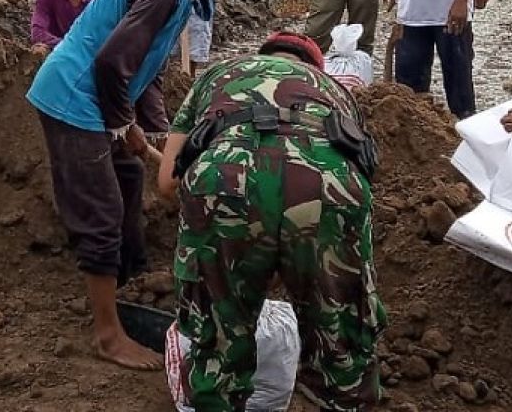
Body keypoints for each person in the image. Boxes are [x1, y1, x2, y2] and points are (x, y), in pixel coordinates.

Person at [27, 0, 260, 371]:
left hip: (94, 100)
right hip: (73, 99)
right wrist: (120, 124)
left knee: (131, 173)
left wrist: (134, 125)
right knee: (102, 213)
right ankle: (109, 335)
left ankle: (130, 285)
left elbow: (141, 66)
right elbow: (111, 63)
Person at [158, 31, 386, 412]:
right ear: (314, 67)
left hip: (225, 178)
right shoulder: (335, 91)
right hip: (328, 185)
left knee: (220, 337)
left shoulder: (216, 76)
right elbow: (359, 167)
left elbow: (168, 184)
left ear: (261, 56)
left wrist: (251, 250)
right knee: (341, 337)